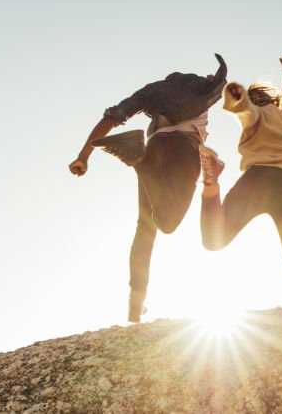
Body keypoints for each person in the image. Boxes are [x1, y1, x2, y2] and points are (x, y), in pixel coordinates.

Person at [68, 54, 228, 323]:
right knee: (167, 223)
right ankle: (136, 160)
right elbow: (223, 85)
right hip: (184, 151)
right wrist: (214, 78)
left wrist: (83, 156)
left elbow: (112, 117)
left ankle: (136, 302)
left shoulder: (152, 91)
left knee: (145, 228)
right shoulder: (201, 88)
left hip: (155, 149)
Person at [197, 53, 282, 301]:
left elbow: (248, 113)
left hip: (256, 183)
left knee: (213, 241)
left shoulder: (255, 115)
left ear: (254, 100)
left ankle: (211, 182)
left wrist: (239, 100)